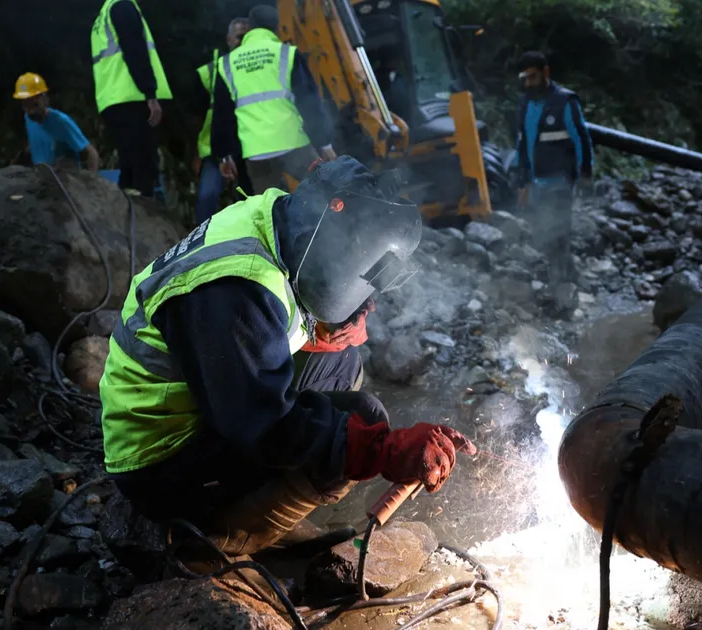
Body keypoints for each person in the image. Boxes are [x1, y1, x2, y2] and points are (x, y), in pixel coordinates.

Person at [99, 156, 476, 559]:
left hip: (204, 394)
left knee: (341, 365)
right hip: (158, 455)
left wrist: (347, 316)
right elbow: (266, 424)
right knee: (361, 419)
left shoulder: (287, 217)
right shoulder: (236, 286)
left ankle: (264, 505)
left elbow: (285, 305)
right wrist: (383, 450)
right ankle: (218, 539)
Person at [212, 5, 337, 194]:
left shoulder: (226, 64)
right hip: (293, 144)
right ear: (277, 28)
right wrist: (324, 143)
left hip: (256, 153)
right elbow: (309, 101)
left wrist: (223, 155)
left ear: (251, 28)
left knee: (270, 210)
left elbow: (222, 115)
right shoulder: (287, 54)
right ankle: (339, 223)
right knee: (326, 193)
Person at [513, 51, 593, 292]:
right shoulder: (525, 102)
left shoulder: (565, 101)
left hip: (560, 178)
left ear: (546, 73)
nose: (529, 83)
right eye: (525, 78)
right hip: (536, 181)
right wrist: (522, 182)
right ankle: (563, 277)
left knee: (559, 229)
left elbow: (581, 139)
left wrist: (585, 174)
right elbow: (522, 144)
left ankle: (563, 283)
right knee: (543, 229)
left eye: (533, 77)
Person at [91, 0, 172, 197]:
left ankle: (127, 218)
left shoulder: (103, 15)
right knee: (142, 168)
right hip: (132, 96)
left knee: (130, 166)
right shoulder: (123, 6)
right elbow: (134, 49)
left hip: (113, 99)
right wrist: (150, 93)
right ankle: (140, 220)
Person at [192, 18, 251, 224]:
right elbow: (199, 115)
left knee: (252, 198)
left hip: (251, 146)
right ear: (228, 40)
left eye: (247, 37)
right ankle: (201, 244)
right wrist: (196, 153)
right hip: (216, 149)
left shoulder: (256, 68)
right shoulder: (212, 71)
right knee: (207, 197)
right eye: (239, 37)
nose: (242, 42)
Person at [10, 73, 100, 171]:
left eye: (35, 104)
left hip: (64, 179)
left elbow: (91, 154)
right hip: (41, 176)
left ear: (44, 99)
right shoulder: (28, 118)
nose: (31, 111)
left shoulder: (61, 121)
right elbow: (38, 139)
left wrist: (92, 180)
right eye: (26, 105)